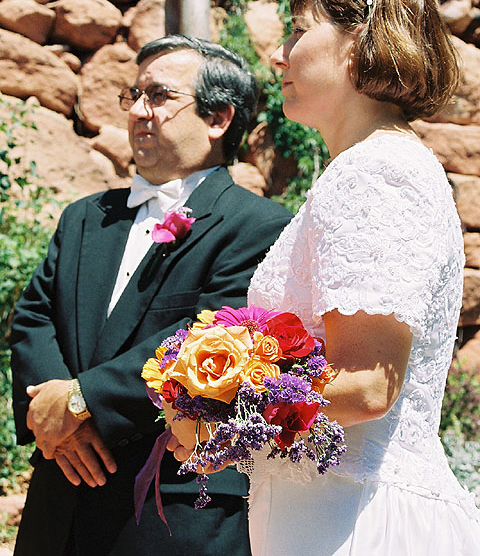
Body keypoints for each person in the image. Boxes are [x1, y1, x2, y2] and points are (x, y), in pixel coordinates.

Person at [167, 0, 480, 555]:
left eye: (297, 31)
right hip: (325, 509)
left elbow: (365, 385)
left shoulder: (376, 172)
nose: (277, 55)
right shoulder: (372, 165)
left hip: (355, 519)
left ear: (360, 42)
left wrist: (217, 406)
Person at [10, 34, 292, 556]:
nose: (139, 111)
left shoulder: (259, 226)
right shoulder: (84, 218)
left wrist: (82, 401)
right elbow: (34, 318)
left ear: (218, 118)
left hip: (170, 507)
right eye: (134, 95)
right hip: (60, 498)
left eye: (159, 96)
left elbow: (207, 338)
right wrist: (56, 418)